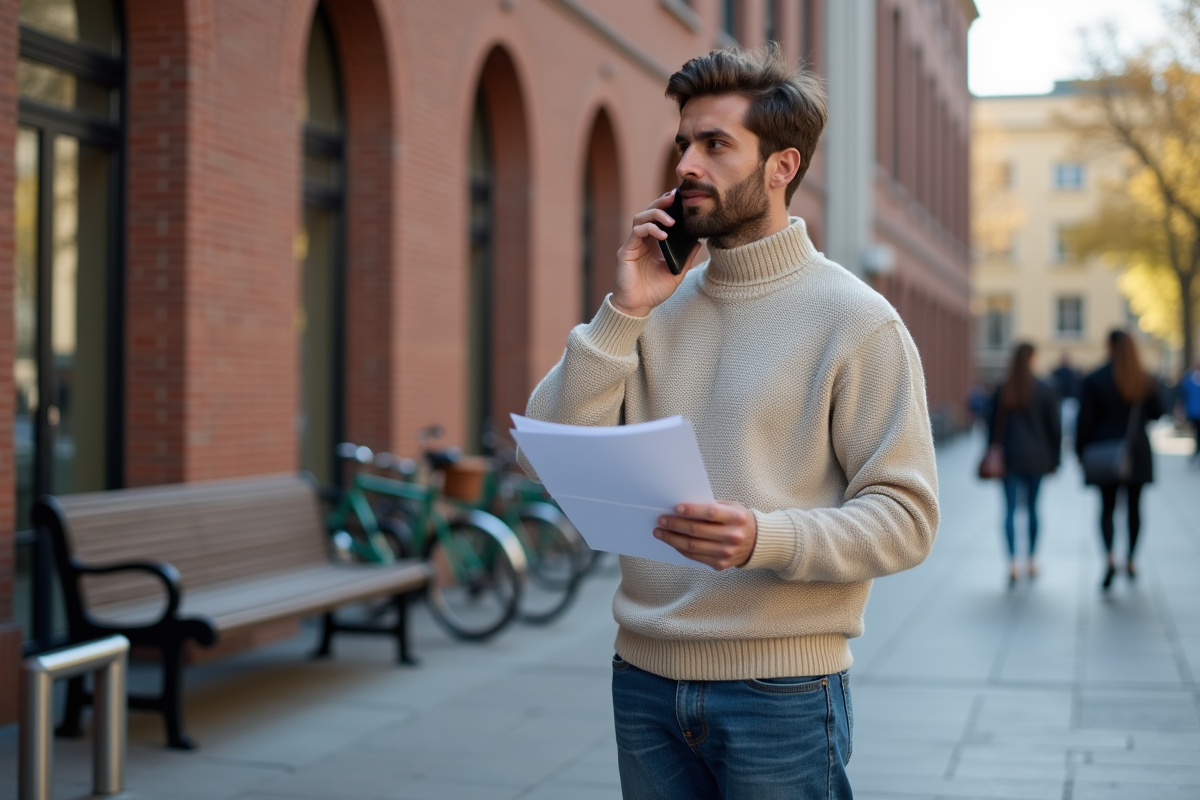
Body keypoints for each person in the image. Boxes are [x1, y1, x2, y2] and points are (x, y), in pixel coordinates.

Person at [521, 47, 938, 799]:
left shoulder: (857, 321)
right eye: (684, 142)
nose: (687, 163)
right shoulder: (652, 303)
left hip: (782, 691)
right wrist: (623, 312)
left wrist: (763, 537)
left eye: (715, 145)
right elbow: (548, 454)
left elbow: (907, 520)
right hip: (644, 681)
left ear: (781, 167)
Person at [1076, 330, 1164, 590]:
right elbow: (1158, 413)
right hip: (1136, 451)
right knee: (1135, 509)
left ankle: (1109, 558)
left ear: (1109, 346)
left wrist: (1081, 452)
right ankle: (1131, 560)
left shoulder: (1095, 378)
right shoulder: (1144, 379)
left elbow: (1084, 421)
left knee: (1106, 508)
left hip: (1104, 452)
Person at [987, 343, 1061, 586]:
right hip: (1037, 459)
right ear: (1033, 359)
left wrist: (991, 452)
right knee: (1032, 508)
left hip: (1009, 458)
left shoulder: (1003, 389)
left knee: (1009, 510)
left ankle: (1011, 564)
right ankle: (1031, 560)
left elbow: (991, 427)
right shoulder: (1044, 389)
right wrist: (1055, 461)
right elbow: (1054, 430)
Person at [1179, 359, 1200, 463]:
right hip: (1193, 412)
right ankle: (1196, 450)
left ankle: (1196, 451)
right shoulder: (1189, 379)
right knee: (1196, 432)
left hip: (1194, 410)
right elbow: (1183, 395)